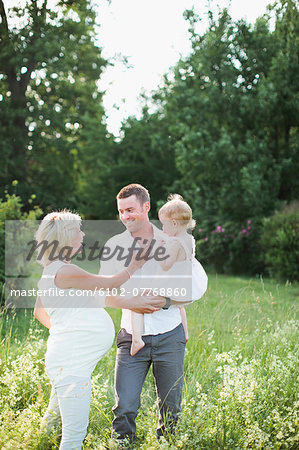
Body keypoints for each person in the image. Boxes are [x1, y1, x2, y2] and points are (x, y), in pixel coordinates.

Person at [33, 210, 164, 450]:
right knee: (73, 437)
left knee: (53, 418)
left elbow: (38, 313)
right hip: (71, 364)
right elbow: (109, 284)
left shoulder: (52, 271)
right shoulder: (65, 271)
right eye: (78, 230)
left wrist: (66, 332)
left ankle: (37, 443)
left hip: (65, 359)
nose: (83, 234)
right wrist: (134, 266)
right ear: (65, 237)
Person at [99, 184, 208, 444]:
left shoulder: (172, 237)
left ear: (146, 207)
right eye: (121, 211)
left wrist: (167, 300)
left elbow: (195, 287)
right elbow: (102, 293)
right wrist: (131, 302)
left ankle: (166, 445)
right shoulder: (114, 245)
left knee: (171, 407)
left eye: (130, 210)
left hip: (170, 336)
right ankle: (123, 445)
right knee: (124, 405)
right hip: (131, 338)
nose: (125, 216)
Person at [130, 193, 195, 356]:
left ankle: (137, 339)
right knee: (179, 306)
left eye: (164, 225)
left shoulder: (175, 243)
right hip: (180, 283)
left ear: (174, 223)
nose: (163, 229)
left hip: (166, 283)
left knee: (137, 299)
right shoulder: (189, 240)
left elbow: (165, 265)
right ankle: (185, 333)